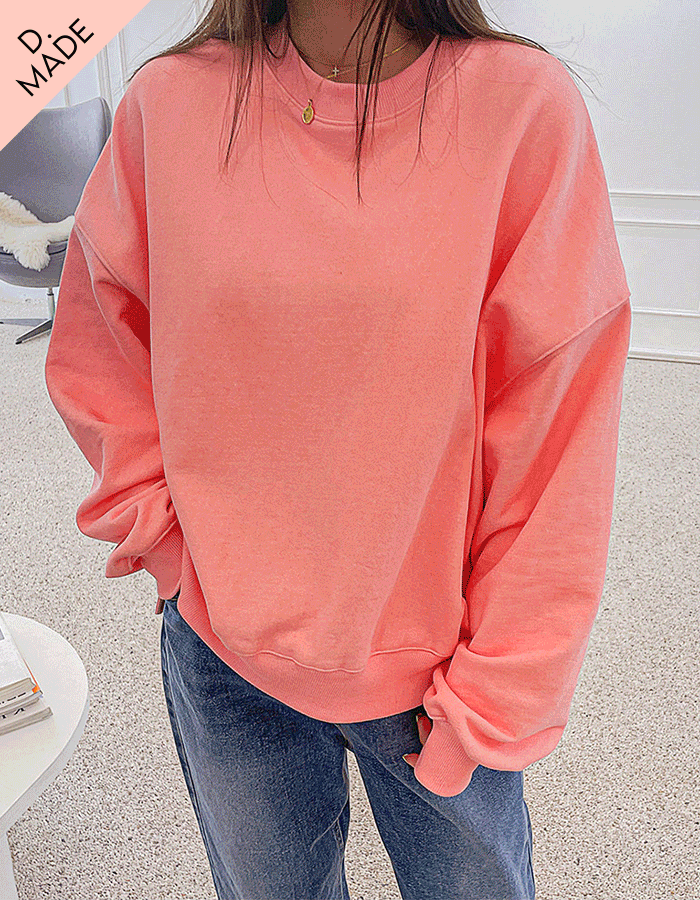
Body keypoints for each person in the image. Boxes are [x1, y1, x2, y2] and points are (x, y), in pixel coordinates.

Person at [44, 0, 632, 897]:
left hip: (441, 677)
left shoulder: (521, 107)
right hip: (221, 649)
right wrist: (167, 544)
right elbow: (101, 338)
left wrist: (501, 687)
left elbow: (557, 430)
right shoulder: (168, 103)